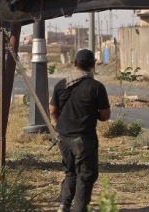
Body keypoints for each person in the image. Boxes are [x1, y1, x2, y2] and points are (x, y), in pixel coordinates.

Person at [49, 49, 111, 212]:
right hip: (83, 139)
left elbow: (53, 109)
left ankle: (64, 206)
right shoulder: (96, 87)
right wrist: (92, 113)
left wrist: (57, 126)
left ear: (75, 63)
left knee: (71, 172)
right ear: (93, 65)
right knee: (85, 175)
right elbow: (105, 115)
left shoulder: (61, 84)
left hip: (63, 138)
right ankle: (79, 209)